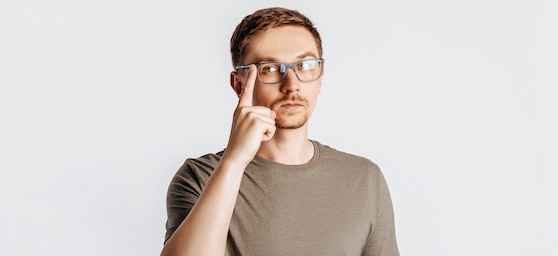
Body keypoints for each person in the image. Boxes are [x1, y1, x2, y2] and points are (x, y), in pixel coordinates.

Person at [161, 7, 399, 256]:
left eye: (305, 65)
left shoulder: (364, 179)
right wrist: (234, 161)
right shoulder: (199, 177)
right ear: (238, 84)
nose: (292, 85)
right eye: (270, 69)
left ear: (320, 77)